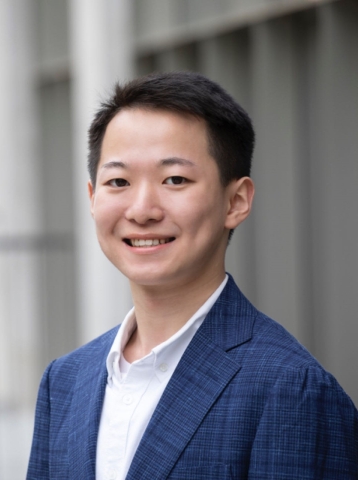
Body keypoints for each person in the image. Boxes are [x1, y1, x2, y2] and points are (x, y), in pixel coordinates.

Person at [27, 72, 358, 479]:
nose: (142, 209)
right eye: (119, 182)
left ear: (236, 201)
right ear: (93, 199)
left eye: (175, 180)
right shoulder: (64, 382)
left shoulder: (291, 389)